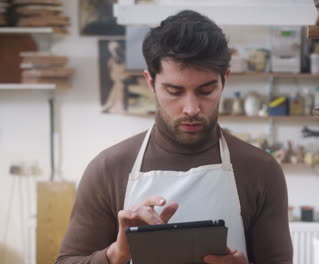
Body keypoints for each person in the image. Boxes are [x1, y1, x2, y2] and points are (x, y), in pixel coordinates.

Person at [56, 10, 292, 264]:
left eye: (206, 90)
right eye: (174, 91)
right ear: (151, 82)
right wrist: (118, 253)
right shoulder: (108, 168)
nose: (191, 108)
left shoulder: (261, 170)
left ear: (225, 80)